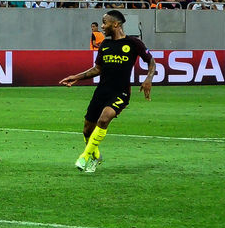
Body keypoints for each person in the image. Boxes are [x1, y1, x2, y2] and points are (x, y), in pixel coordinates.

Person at [59, 9, 156, 173]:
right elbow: (97, 69)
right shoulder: (105, 44)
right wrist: (77, 77)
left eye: (105, 23)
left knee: (104, 120)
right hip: (101, 91)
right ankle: (95, 156)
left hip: (120, 92)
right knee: (87, 130)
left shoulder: (133, 43)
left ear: (116, 24)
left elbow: (151, 61)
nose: (102, 26)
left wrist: (148, 78)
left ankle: (84, 157)